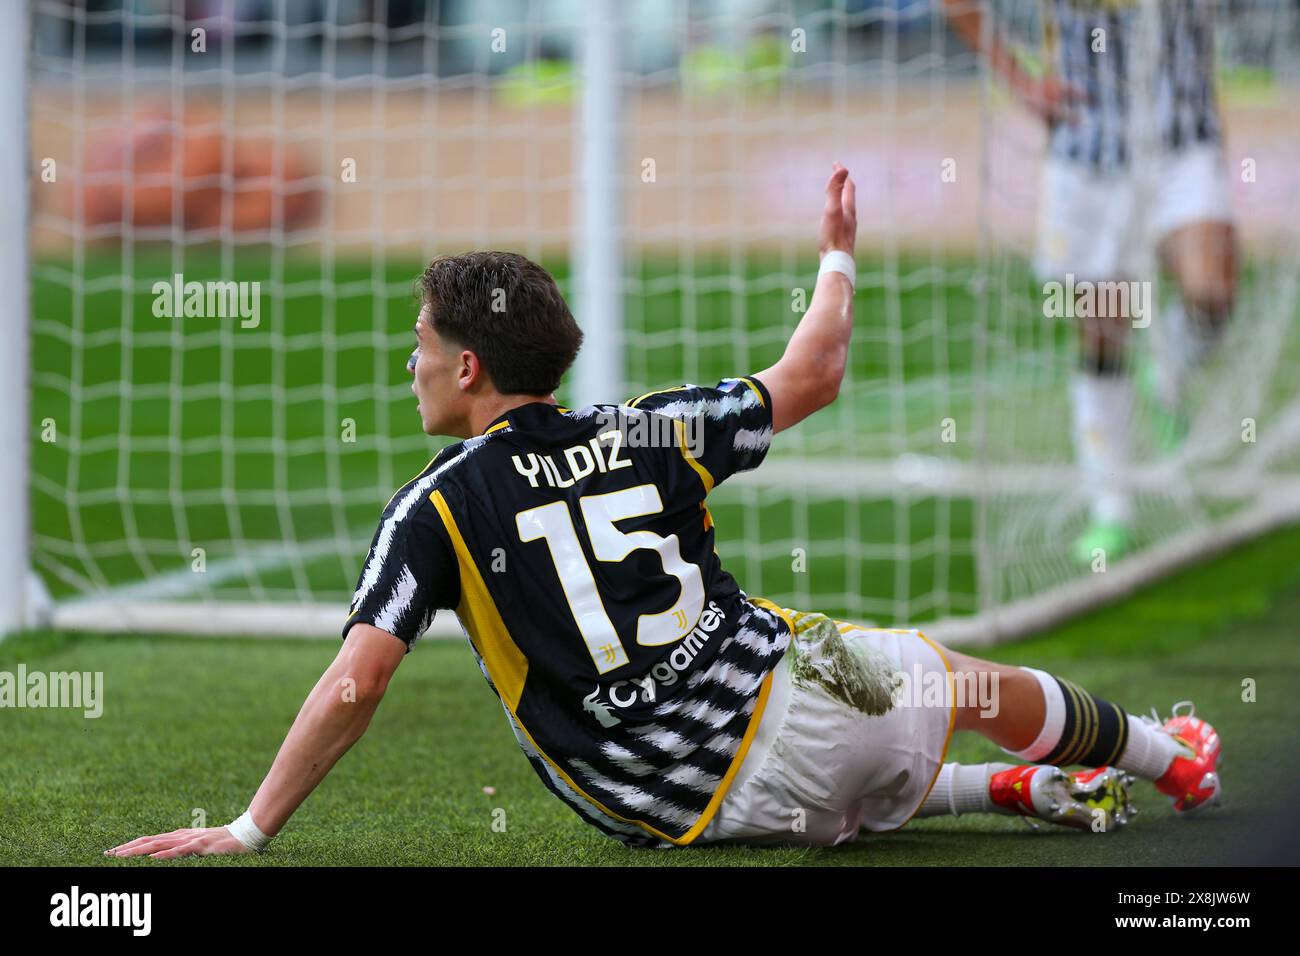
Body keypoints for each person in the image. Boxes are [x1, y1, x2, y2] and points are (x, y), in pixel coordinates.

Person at [107, 165, 1219, 858]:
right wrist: (836, 250)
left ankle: (1001, 785)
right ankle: (1168, 757)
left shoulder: (434, 508)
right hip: (825, 708)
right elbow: (817, 370)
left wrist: (251, 829)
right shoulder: (651, 426)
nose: (411, 366)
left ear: (472, 367)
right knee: (961, 681)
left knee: (811, 779)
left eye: (423, 348)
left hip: (676, 809)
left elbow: (359, 678)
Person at [943, 0, 1237, 563]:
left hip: (1183, 137)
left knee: (1212, 293)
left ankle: (1169, 368)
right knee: (1104, 330)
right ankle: (1110, 507)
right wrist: (1023, 82)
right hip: (1089, 147)